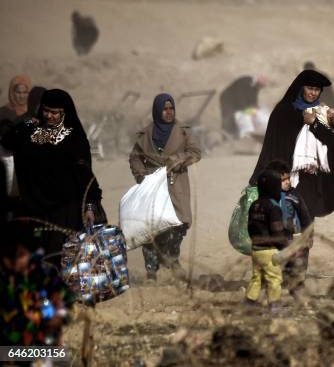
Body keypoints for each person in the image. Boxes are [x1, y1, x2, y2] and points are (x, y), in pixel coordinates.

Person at [0, 89, 107, 266]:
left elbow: (85, 174)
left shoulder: (74, 138)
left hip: (65, 210)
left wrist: (90, 205)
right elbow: (7, 140)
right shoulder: (32, 132)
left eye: (54, 112)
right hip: (34, 209)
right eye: (46, 110)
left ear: (64, 112)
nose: (49, 116)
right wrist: (25, 124)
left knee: (59, 257)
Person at [249, 69, 334, 218]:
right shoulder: (283, 111)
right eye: (310, 88)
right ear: (301, 88)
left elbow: (331, 143)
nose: (313, 93)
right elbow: (270, 146)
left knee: (306, 218)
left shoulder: (323, 113)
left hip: (311, 176)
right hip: (287, 175)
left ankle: (305, 241)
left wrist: (314, 124)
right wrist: (259, 177)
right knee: (285, 217)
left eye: (317, 90)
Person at [129, 93, 202, 281]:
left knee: (179, 224)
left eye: (171, 108)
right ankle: (151, 271)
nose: (169, 112)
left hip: (175, 183)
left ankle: (172, 259)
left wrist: (178, 160)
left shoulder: (183, 131)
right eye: (164, 109)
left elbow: (195, 152)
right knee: (151, 229)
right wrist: (142, 175)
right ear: (157, 110)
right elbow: (135, 157)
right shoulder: (145, 134)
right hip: (152, 188)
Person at [1, 220, 75, 346]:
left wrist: (60, 315)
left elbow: (67, 300)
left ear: (30, 252)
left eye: (21, 255)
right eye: (10, 256)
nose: (16, 263)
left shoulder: (45, 272)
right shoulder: (6, 280)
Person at [244, 170, 290, 313]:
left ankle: (248, 303)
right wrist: (284, 244)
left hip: (256, 249)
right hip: (270, 251)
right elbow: (277, 230)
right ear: (274, 188)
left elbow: (250, 227)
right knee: (274, 278)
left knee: (256, 278)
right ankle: (275, 307)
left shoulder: (255, 205)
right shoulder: (273, 207)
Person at [265, 160, 312, 298]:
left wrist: (309, 235)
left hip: (293, 237)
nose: (287, 182)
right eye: (283, 180)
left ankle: (296, 288)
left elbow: (305, 217)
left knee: (298, 263)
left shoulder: (294, 196)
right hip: (275, 239)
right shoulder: (267, 198)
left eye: (288, 178)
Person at [290, 105, 334, 187]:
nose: (333, 108)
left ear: (330, 117)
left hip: (316, 177)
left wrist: (313, 121)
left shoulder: (328, 132)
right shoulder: (325, 125)